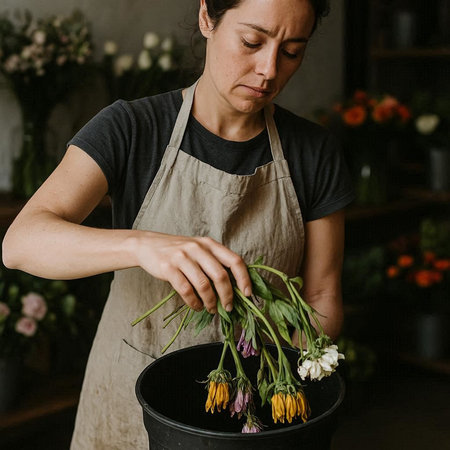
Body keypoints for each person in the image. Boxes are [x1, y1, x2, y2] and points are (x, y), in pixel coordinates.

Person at [2, 0, 354, 448]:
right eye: (251, 41)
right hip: (129, 399)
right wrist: (142, 246)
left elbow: (322, 296)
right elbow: (21, 242)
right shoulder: (131, 128)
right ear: (208, 17)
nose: (268, 69)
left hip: (251, 409)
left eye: (292, 51)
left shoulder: (313, 152)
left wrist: (284, 372)